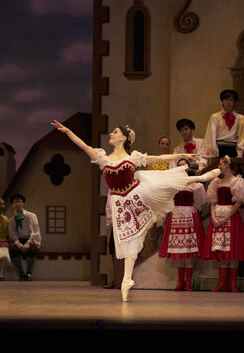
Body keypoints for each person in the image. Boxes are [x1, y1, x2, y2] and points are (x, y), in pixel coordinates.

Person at [51, 120, 220, 302]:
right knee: (127, 239)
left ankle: (200, 177)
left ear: (123, 138)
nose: (111, 134)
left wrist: (184, 155)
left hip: (136, 193)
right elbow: (83, 146)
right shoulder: (102, 158)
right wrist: (68, 131)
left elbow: (157, 158)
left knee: (165, 181)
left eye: (114, 132)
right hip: (119, 202)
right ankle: (126, 280)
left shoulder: (132, 158)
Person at [158, 159, 206, 291]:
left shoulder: (194, 184)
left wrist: (193, 212)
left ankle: (189, 282)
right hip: (176, 216)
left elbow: (200, 202)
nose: (182, 168)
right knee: (179, 249)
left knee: (189, 249)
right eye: (179, 166)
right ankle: (181, 281)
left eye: (184, 165)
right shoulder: (173, 185)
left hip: (189, 215)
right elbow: (166, 201)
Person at [202, 156, 244, 292]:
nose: (219, 166)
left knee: (231, 250)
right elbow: (213, 201)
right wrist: (213, 217)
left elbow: (238, 202)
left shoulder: (237, 181)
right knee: (221, 250)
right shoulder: (216, 182)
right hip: (218, 216)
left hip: (230, 216)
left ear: (227, 165)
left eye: (221, 164)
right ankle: (222, 283)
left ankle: (232, 283)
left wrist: (226, 217)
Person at [200, 89, 244, 159]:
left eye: (231, 100)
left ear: (234, 102)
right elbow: (211, 136)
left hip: (233, 150)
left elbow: (242, 138)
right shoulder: (215, 117)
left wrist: (239, 154)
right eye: (226, 100)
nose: (228, 102)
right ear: (222, 101)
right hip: (219, 149)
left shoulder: (240, 118)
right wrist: (213, 154)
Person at [8, 194, 41, 281]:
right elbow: (12, 233)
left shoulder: (31, 215)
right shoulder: (11, 220)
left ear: (23, 203)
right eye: (15, 202)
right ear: (12, 205)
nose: (17, 204)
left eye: (19, 201)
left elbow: (35, 231)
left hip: (30, 239)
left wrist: (28, 243)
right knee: (12, 251)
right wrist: (18, 243)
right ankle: (21, 272)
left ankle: (29, 272)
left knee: (32, 250)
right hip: (18, 240)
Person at [0, 198, 11, 280]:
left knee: (4, 256)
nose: (2, 206)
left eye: (3, 204)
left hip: (3, 241)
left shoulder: (6, 219)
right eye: (0, 204)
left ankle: (1, 276)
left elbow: (7, 233)